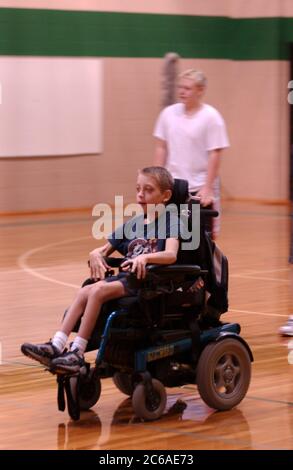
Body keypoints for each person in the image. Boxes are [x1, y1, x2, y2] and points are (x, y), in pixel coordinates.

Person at [21, 167, 183, 374]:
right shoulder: (133, 223)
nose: (141, 194)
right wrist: (95, 254)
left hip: (148, 283)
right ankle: (56, 345)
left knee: (97, 291)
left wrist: (145, 257)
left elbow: (171, 255)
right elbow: (103, 248)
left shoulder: (171, 221)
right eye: (138, 189)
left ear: (166, 195)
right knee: (84, 291)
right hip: (127, 279)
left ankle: (77, 352)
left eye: (149, 190)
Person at [153, 68, 229, 237]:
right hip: (173, 187)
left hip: (199, 188)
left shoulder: (211, 117)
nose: (182, 91)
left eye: (187, 88)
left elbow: (215, 153)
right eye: (180, 87)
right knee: (169, 235)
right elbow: (161, 147)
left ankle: (209, 264)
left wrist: (208, 187)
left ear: (200, 90)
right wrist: (157, 181)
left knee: (205, 237)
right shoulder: (168, 114)